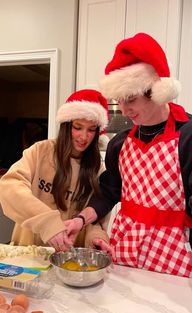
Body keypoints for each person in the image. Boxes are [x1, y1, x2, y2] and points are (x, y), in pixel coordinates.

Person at [61, 33, 192, 313]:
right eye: (120, 101)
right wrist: (81, 219)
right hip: (123, 260)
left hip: (173, 267)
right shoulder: (119, 144)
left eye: (131, 99)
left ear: (156, 89)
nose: (125, 110)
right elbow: (109, 192)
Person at [0, 89, 111, 254]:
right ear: (67, 126)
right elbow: (9, 186)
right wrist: (47, 223)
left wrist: (96, 238)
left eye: (91, 130)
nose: (84, 136)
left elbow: (96, 220)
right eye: (78, 127)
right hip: (29, 254)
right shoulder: (41, 151)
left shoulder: (97, 170)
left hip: (68, 259)